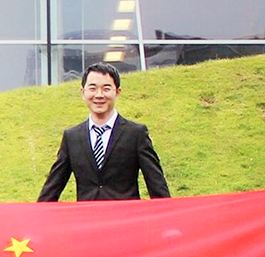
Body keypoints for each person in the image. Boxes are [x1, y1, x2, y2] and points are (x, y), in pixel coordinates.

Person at [35, 63, 170, 202]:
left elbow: (156, 185)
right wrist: (38, 212)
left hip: (126, 214)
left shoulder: (136, 134)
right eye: (92, 88)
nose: (99, 95)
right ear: (83, 92)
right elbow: (53, 186)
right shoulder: (72, 137)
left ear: (117, 92)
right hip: (88, 215)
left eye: (106, 89)